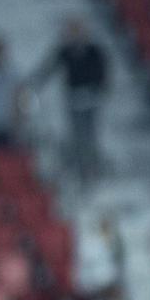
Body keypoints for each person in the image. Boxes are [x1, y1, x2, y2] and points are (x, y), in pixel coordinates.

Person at [31, 19, 110, 183]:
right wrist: (34, 83)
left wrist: (99, 89)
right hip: (73, 98)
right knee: (77, 134)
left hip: (90, 98)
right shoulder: (65, 51)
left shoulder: (94, 51)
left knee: (90, 134)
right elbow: (48, 68)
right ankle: (82, 168)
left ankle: (92, 167)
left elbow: (103, 72)